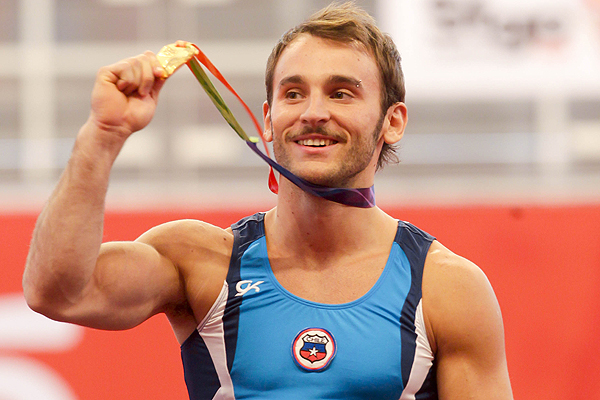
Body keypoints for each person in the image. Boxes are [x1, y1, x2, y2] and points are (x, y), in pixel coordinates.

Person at [23, 2, 513, 399]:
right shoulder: (200, 262)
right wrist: (104, 134)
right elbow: (56, 292)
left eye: (342, 93)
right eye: (294, 93)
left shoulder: (448, 290)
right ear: (268, 119)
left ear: (393, 121)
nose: (314, 113)